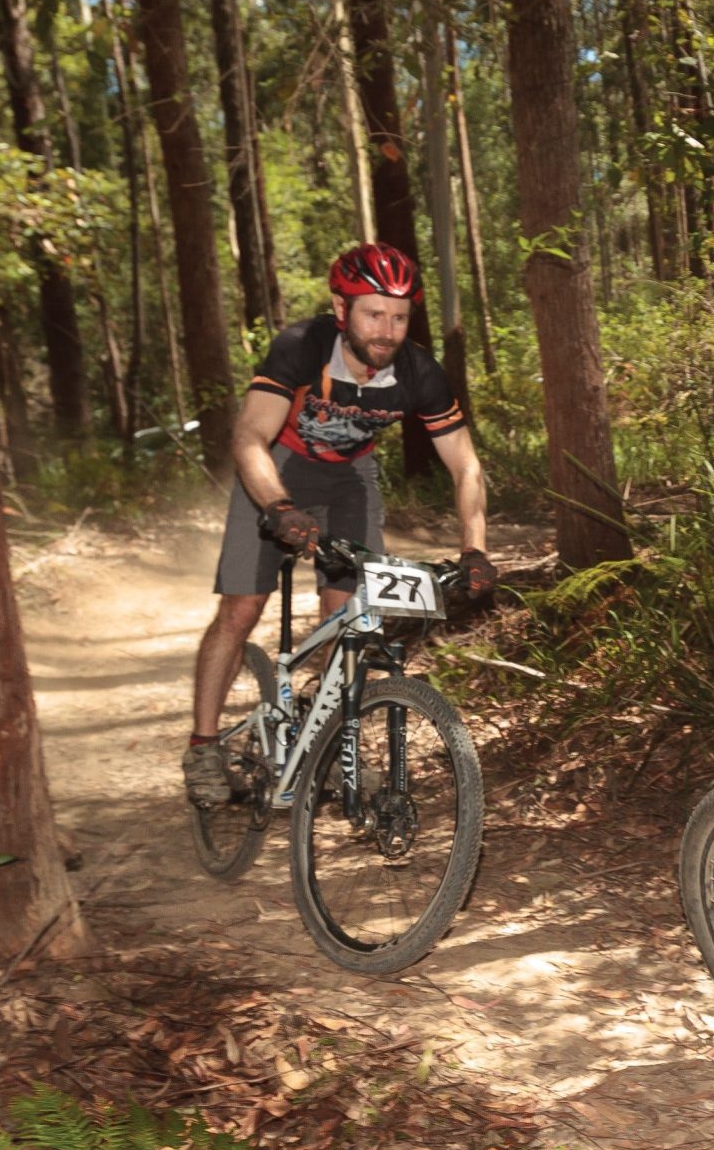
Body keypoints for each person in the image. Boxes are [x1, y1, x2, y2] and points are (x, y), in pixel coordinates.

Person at [186, 244, 497, 808]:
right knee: (241, 608)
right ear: (341, 308)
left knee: (351, 617)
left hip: (350, 479)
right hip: (275, 469)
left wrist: (474, 549)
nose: (387, 329)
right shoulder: (302, 348)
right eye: (373, 313)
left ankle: (328, 744)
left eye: (399, 317)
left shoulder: (418, 372)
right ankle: (204, 745)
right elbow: (248, 437)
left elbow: (466, 464)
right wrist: (278, 508)